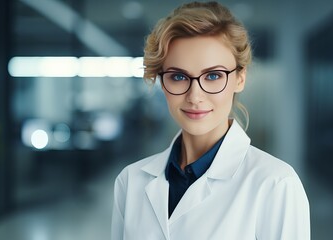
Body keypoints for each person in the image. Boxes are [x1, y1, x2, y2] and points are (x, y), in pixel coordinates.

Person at [111, 1, 310, 239]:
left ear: (240, 78)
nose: (195, 96)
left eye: (213, 75)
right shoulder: (130, 181)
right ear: (161, 82)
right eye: (178, 76)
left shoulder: (275, 184)